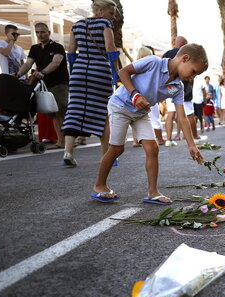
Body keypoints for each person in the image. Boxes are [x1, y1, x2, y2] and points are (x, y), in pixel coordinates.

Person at [92, 43, 207, 204]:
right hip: (120, 105)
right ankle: (100, 185)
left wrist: (191, 145)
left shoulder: (177, 87)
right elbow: (123, 72)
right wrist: (135, 94)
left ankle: (153, 192)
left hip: (141, 113)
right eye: (194, 71)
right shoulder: (153, 62)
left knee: (153, 148)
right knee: (117, 148)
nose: (192, 77)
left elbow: (182, 118)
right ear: (184, 59)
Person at [62, 0, 118, 166]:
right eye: (111, 13)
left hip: (79, 72)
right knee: (104, 113)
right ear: (100, 11)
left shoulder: (77, 25)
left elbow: (71, 52)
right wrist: (116, 72)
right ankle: (107, 156)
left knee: (75, 110)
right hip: (100, 72)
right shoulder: (104, 23)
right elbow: (110, 48)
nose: (113, 17)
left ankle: (68, 152)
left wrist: (74, 73)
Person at [15, 22, 69, 149]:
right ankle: (61, 141)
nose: (40, 35)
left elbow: (56, 63)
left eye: (42, 32)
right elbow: (28, 64)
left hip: (59, 83)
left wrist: (43, 72)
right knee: (53, 114)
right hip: (45, 85)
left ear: (49, 33)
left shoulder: (57, 47)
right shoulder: (35, 48)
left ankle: (66, 141)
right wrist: (17, 75)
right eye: (37, 32)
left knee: (60, 112)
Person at [136, 46, 165, 145]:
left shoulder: (135, 68)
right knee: (155, 119)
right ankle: (160, 139)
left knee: (136, 119)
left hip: (136, 98)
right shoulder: (151, 70)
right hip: (149, 99)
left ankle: (136, 141)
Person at [163, 36, 188, 146]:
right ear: (184, 45)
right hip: (179, 87)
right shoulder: (185, 56)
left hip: (166, 87)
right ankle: (181, 135)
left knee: (170, 113)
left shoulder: (167, 53)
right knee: (182, 114)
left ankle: (168, 139)